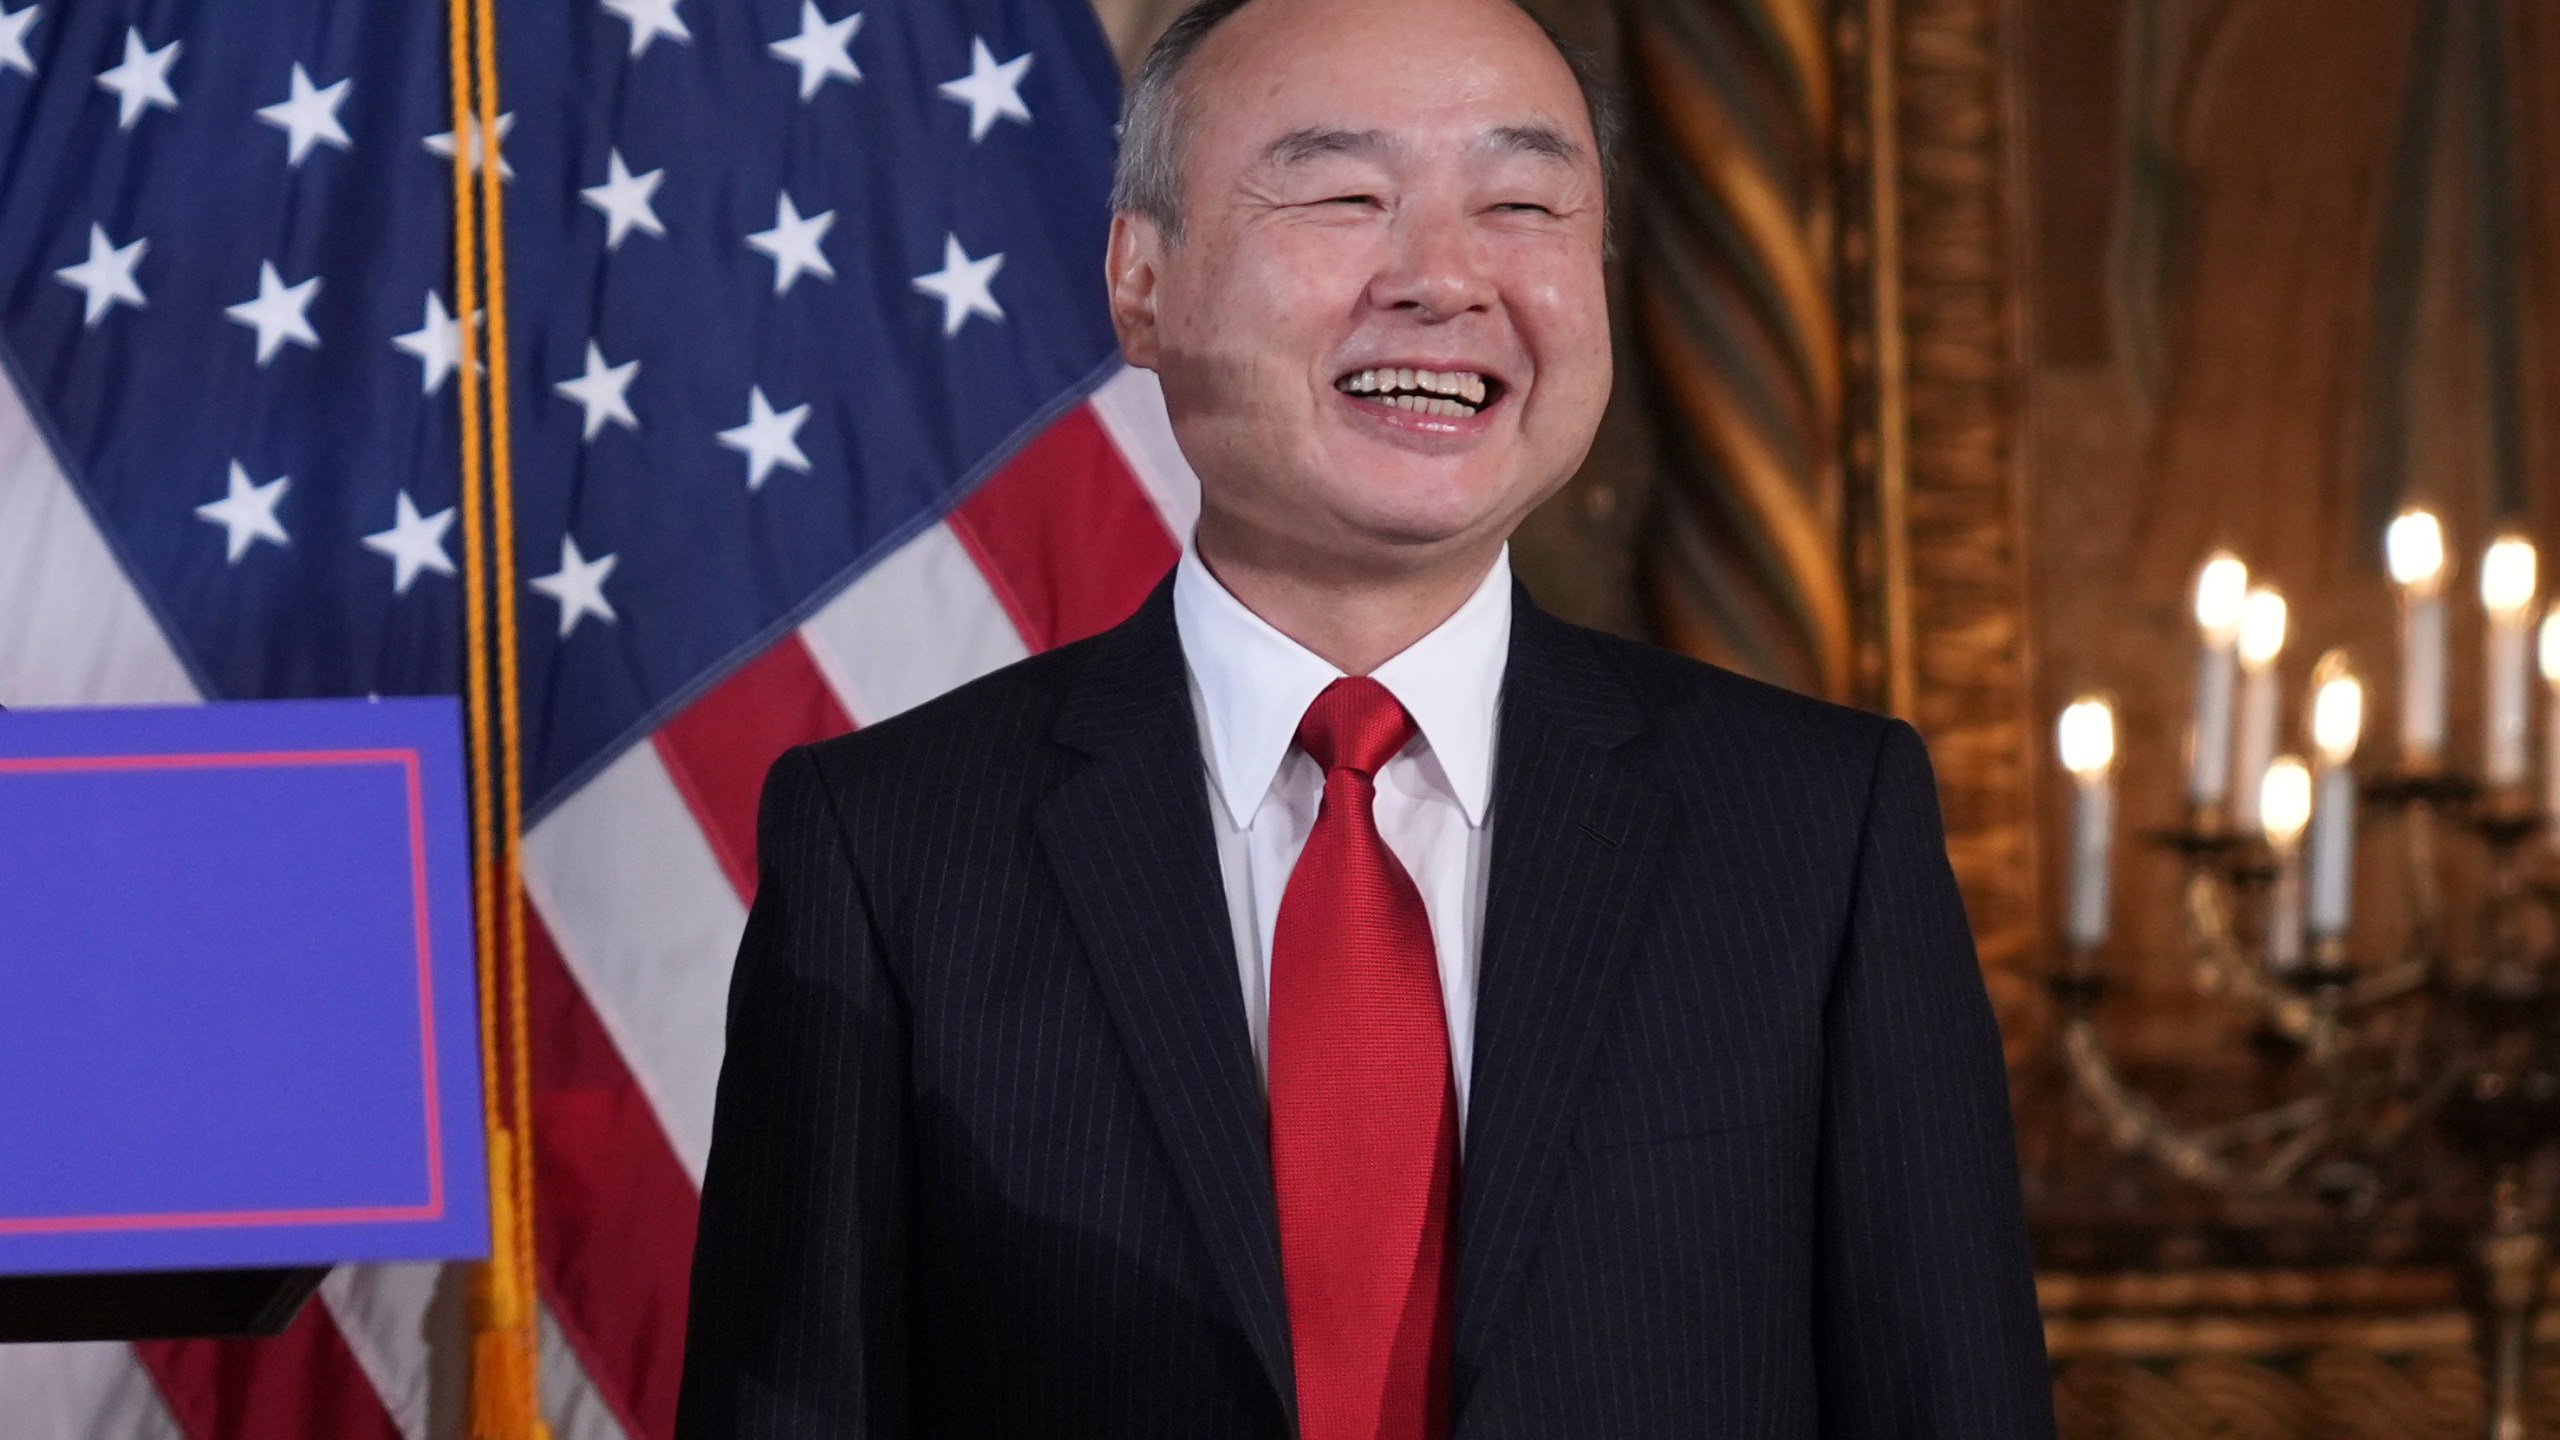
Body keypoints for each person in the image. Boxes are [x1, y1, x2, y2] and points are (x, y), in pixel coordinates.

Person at [674, 0, 2057, 1433]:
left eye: (1522, 203)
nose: (1445, 280)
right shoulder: (888, 845)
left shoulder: (1821, 832)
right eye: (1345, 195)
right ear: (1141, 282)